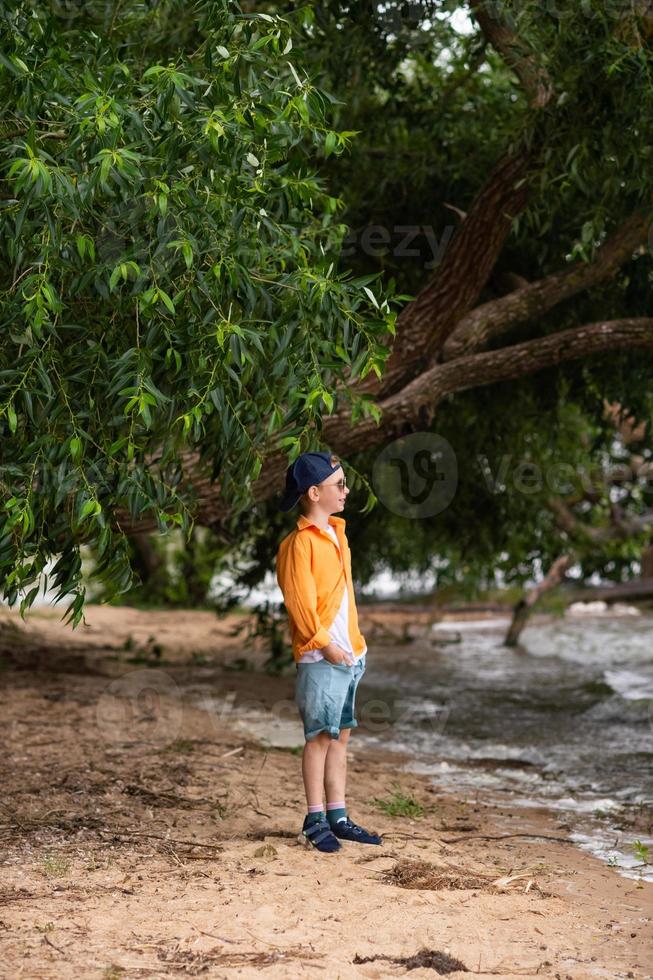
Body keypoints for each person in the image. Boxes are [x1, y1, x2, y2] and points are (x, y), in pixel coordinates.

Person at [275, 450, 382, 853]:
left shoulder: (339, 533)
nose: (347, 490)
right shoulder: (298, 544)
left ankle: (338, 815)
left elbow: (345, 598)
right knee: (319, 738)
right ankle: (314, 818)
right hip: (322, 658)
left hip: (350, 653)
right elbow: (300, 606)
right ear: (314, 492)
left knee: (341, 739)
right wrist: (326, 646)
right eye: (339, 485)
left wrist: (355, 644)